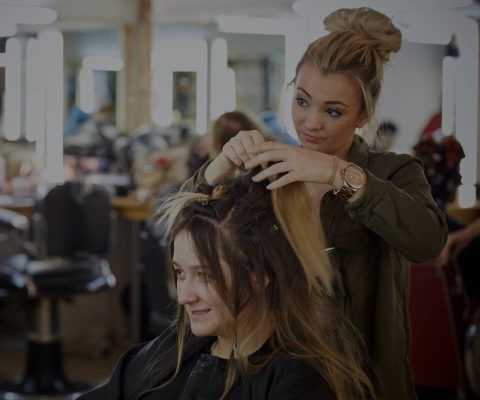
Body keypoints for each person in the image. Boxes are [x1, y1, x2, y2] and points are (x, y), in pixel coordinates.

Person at [180, 7, 447, 400]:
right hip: (273, 378)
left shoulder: (394, 172)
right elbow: (179, 229)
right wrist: (217, 168)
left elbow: (427, 240)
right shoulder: (267, 172)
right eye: (302, 101)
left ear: (364, 114)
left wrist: (336, 173)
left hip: (361, 383)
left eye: (333, 111)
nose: (311, 123)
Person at [81, 171, 374, 399]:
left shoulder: (295, 382)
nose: (183, 297)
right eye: (180, 273)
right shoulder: (178, 346)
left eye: (205, 276)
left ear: (259, 276)